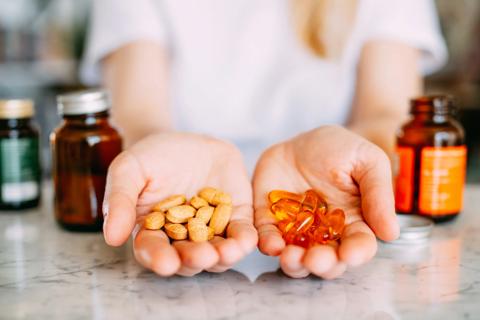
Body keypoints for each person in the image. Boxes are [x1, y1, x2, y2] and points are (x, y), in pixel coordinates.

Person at [82, 0, 447, 278]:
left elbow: (387, 115)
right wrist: (153, 153)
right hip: (189, 187)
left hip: (325, 189)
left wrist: (363, 159)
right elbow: (137, 113)